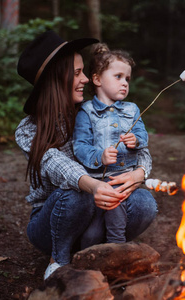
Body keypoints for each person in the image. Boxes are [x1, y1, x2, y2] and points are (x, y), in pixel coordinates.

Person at [15, 30, 157, 280]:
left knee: (145, 202)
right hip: (53, 222)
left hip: (100, 212)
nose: (86, 80)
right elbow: (57, 164)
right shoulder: (29, 130)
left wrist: (139, 173)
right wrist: (91, 184)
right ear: (56, 78)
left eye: (84, 72)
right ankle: (59, 260)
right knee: (76, 194)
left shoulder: (93, 112)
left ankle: (103, 252)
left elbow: (139, 149)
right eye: (77, 73)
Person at [72, 43, 152, 244]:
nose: (124, 83)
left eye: (127, 79)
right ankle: (100, 250)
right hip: (99, 180)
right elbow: (80, 146)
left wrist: (137, 140)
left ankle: (117, 246)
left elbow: (143, 134)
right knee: (91, 236)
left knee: (113, 220)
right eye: (118, 77)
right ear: (97, 79)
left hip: (125, 179)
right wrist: (100, 156)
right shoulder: (87, 111)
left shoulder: (132, 109)